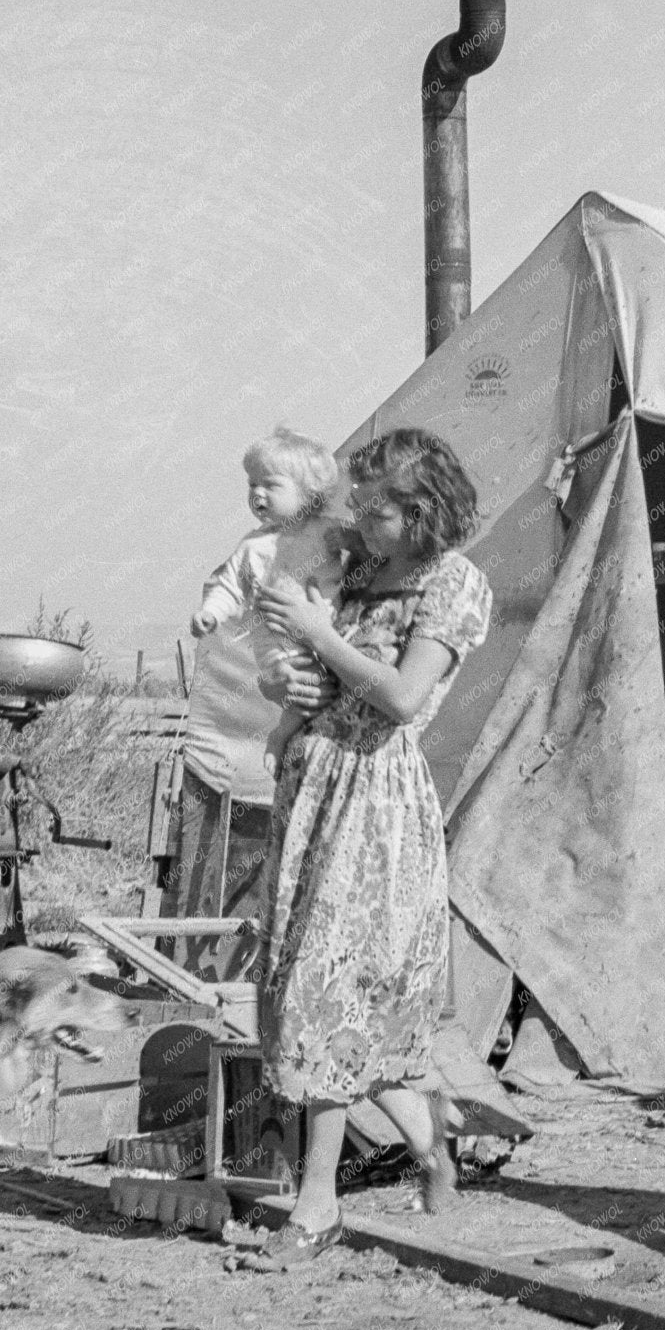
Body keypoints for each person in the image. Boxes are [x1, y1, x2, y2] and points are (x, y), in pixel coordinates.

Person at [247, 426, 493, 1256]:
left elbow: (398, 695)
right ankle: (432, 1145)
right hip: (311, 787)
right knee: (303, 990)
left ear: (421, 512)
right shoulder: (352, 567)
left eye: (377, 508)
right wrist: (278, 677)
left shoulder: (454, 584)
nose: (359, 516)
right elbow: (298, 664)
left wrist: (319, 635)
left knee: (331, 988)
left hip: (375, 800)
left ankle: (317, 1203)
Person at [191, 427, 351, 776]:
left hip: (324, 624)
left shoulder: (328, 531)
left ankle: (298, 740)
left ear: (309, 493)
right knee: (305, 682)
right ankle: (281, 735)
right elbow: (231, 586)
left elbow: (364, 547)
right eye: (252, 485)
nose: (257, 494)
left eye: (270, 485)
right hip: (275, 636)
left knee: (328, 680)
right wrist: (211, 614)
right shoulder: (253, 545)